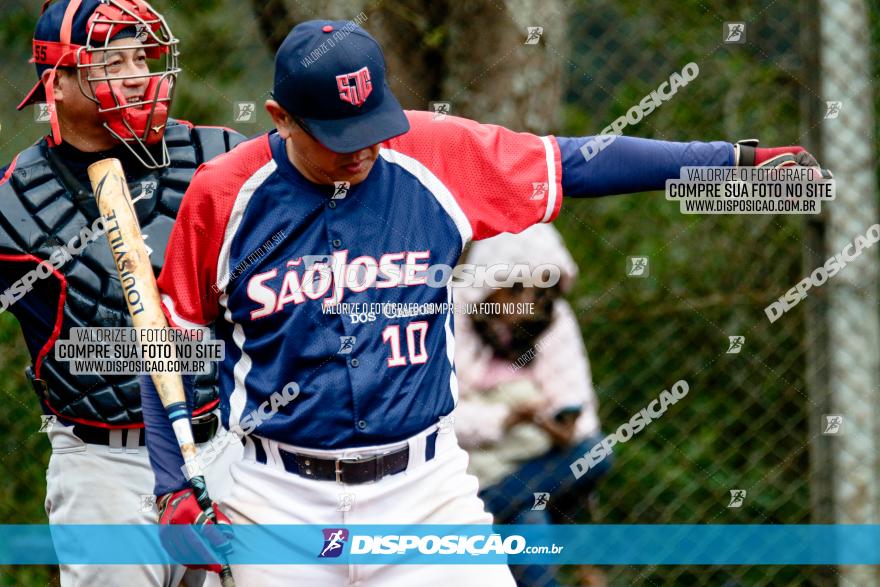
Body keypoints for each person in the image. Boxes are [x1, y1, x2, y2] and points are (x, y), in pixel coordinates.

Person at [139, 18, 826, 586]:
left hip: (424, 492)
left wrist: (727, 162)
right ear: (279, 117)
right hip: (273, 499)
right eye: (338, 137)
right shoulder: (224, 195)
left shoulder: (432, 153)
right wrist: (173, 486)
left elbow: (577, 161)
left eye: (373, 126)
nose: (362, 152)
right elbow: (168, 346)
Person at [0, 1, 244, 585]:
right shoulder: (14, 205)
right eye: (112, 61)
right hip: (103, 465)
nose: (138, 74)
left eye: (144, 56)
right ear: (56, 83)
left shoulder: (223, 160)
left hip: (223, 446)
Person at [454, 223, 611, 587]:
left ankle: (485, 511)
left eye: (546, 293)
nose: (535, 304)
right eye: (522, 290)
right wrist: (505, 418)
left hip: (535, 459)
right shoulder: (452, 315)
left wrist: (561, 424)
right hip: (472, 465)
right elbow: (440, 415)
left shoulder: (555, 322)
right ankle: (494, 505)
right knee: (529, 517)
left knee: (596, 452)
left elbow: (580, 410)